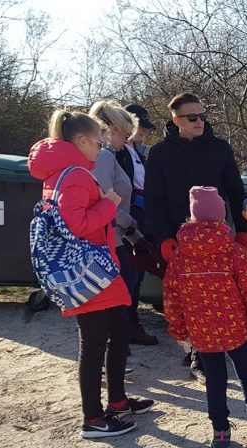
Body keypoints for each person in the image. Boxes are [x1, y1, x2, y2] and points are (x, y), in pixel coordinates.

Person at [28, 110, 154, 439]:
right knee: (95, 344)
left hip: (97, 269)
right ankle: (94, 419)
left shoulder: (66, 172)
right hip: (89, 272)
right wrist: (109, 204)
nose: (101, 150)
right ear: (82, 141)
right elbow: (77, 225)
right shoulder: (73, 175)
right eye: (98, 143)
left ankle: (117, 402)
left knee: (120, 330)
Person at [163, 186, 247, 448]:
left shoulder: (179, 257)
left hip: (203, 333)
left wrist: (180, 332)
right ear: (221, 217)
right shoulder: (234, 253)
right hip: (235, 328)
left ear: (191, 218)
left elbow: (172, 297)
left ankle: (221, 434)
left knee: (215, 382)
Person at [145, 92, 247, 383]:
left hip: (216, 238)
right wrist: (164, 237)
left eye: (203, 115)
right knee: (188, 300)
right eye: (193, 117)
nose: (200, 121)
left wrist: (242, 229)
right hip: (179, 240)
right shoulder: (160, 154)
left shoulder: (220, 149)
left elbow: (235, 191)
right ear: (176, 120)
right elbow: (153, 201)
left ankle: (226, 347)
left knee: (219, 295)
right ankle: (198, 354)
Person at [89, 100, 158, 345]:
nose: (127, 141)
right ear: (114, 130)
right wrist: (130, 227)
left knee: (118, 298)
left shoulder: (107, 156)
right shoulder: (106, 158)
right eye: (125, 134)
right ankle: (112, 359)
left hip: (115, 235)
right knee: (117, 299)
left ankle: (113, 355)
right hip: (111, 238)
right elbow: (105, 200)